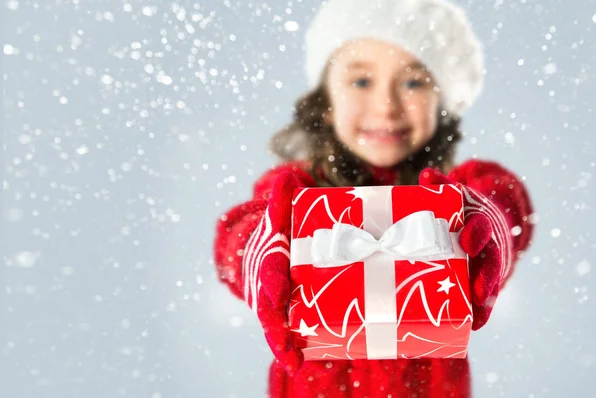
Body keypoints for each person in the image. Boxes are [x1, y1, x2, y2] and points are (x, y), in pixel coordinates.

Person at [213, 0, 535, 396]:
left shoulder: (460, 191)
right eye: (361, 81)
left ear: (443, 102)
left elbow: (506, 200)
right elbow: (237, 234)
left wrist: (488, 229)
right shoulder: (293, 192)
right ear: (327, 103)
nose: (386, 106)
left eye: (413, 82)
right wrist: (264, 250)